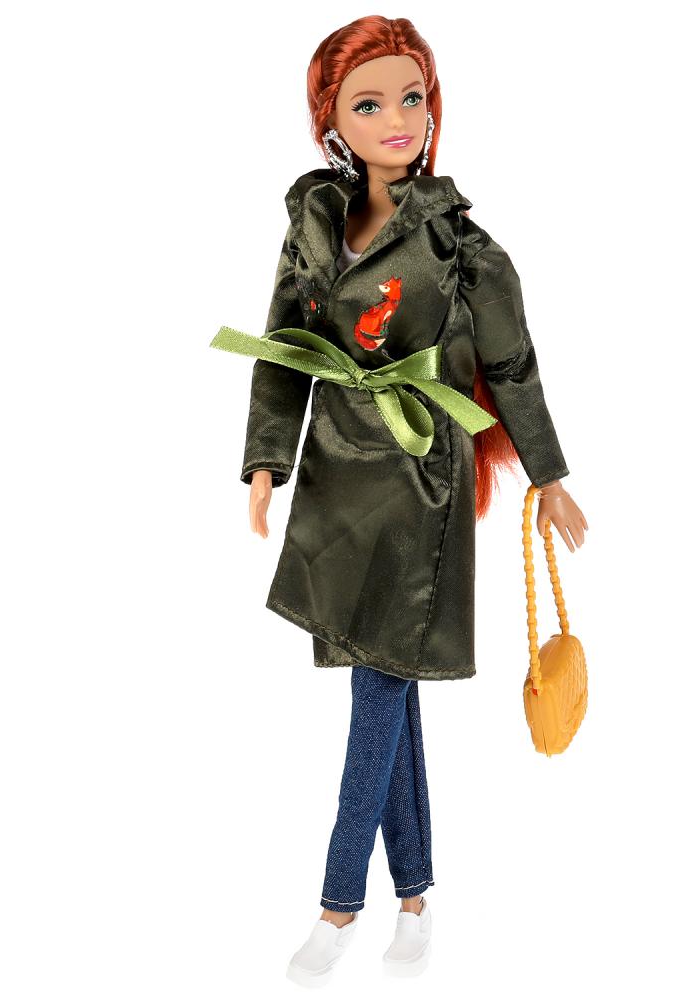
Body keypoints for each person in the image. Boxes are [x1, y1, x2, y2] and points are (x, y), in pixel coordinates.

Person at [213, 15, 589, 986]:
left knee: (377, 689)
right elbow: (285, 348)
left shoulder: (460, 245)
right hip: (338, 473)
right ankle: (415, 901)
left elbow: (512, 365)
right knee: (385, 681)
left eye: (411, 97)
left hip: (420, 477)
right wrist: (265, 462)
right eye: (369, 103)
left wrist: (548, 476)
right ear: (331, 122)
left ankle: (338, 905)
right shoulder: (313, 225)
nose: (397, 119)